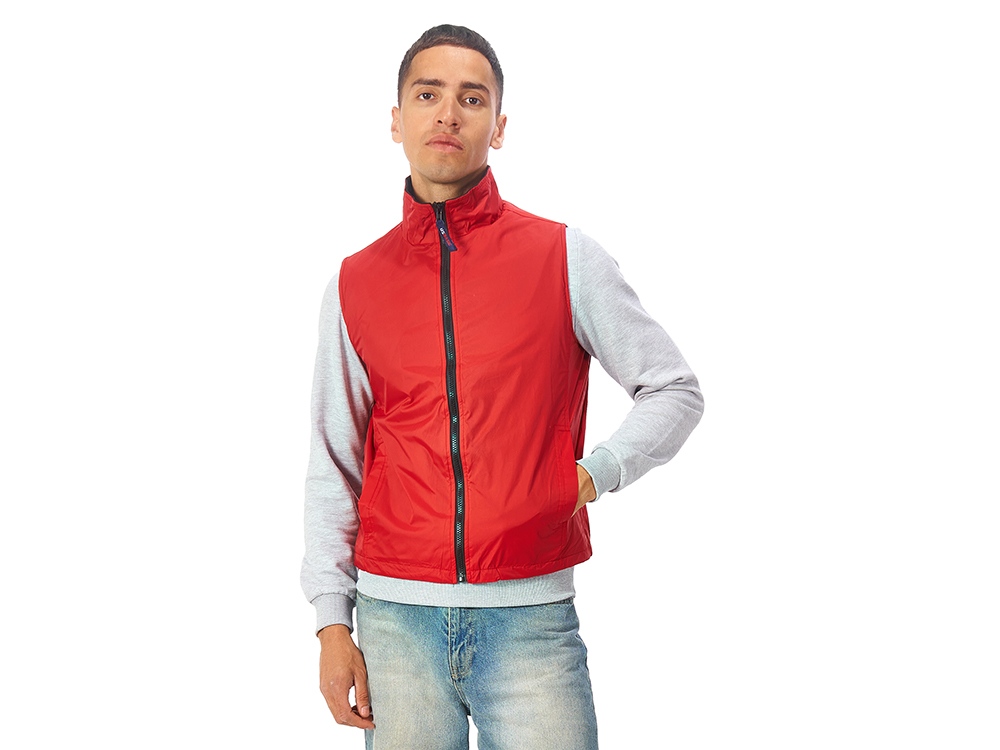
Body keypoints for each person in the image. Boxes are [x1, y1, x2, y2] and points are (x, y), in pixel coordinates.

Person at [302, 24, 703, 749]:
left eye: (471, 98)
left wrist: (593, 473)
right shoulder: (355, 282)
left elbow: (673, 387)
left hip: (530, 623)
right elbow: (335, 460)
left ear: (499, 125)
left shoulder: (564, 257)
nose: (447, 115)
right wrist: (333, 621)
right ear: (396, 119)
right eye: (427, 95)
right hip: (393, 622)